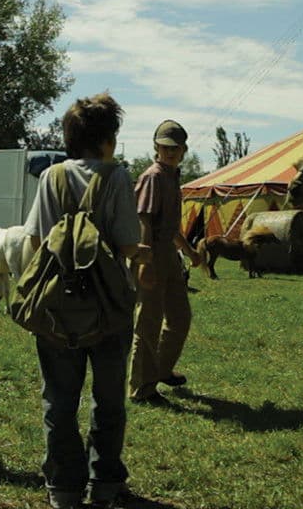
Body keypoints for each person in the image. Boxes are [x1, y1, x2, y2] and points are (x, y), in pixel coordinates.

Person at [23, 93, 146, 509]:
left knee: (58, 400)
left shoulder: (51, 177)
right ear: (108, 139)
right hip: (109, 307)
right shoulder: (117, 177)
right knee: (108, 400)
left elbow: (38, 241)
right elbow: (127, 244)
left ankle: (63, 487)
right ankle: (104, 483)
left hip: (56, 308)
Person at [129, 120, 201, 405]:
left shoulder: (172, 177)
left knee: (180, 318)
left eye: (176, 148)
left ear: (183, 150)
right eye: (165, 147)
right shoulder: (153, 177)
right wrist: (145, 261)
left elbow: (170, 227)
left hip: (169, 255)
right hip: (152, 254)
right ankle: (141, 388)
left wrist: (190, 251)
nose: (170, 152)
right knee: (148, 322)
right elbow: (144, 220)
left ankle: (161, 370)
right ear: (156, 147)